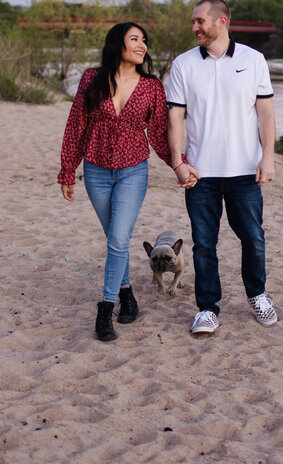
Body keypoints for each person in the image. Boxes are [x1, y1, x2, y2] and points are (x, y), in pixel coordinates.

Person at [58, 21, 196, 342]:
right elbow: (76, 124)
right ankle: (127, 295)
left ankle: (105, 309)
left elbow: (161, 134)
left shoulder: (151, 87)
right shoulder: (92, 79)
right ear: (116, 43)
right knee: (115, 240)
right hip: (96, 170)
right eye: (135, 38)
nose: (142, 45)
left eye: (144, 40)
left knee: (118, 240)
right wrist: (68, 170)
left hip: (134, 170)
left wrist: (180, 165)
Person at [166, 0, 278, 336]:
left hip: (245, 169)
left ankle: (257, 295)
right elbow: (175, 116)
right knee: (203, 244)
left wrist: (268, 156)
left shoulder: (253, 59)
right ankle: (207, 309)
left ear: (222, 21)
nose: (195, 27)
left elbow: (266, 112)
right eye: (194, 22)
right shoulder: (183, 64)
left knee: (253, 239)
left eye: (200, 21)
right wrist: (177, 163)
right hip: (201, 173)